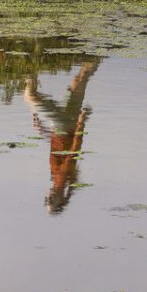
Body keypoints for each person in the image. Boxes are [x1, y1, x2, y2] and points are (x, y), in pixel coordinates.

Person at [23, 59, 100, 214]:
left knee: (81, 78)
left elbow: (59, 148)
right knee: (30, 96)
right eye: (51, 200)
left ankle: (100, 53)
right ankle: (30, 65)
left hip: (63, 124)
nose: (48, 197)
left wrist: (43, 131)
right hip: (63, 125)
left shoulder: (58, 178)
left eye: (46, 200)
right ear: (59, 199)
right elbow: (74, 148)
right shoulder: (62, 176)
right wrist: (81, 122)